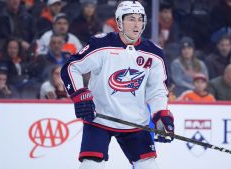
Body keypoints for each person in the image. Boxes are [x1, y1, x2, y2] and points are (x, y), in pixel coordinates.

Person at [60, 1, 174, 169]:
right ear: (119, 22)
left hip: (135, 122)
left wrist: (161, 115)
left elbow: (157, 90)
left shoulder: (154, 53)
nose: (137, 24)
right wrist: (80, 96)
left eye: (140, 19)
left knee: (148, 166)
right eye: (131, 19)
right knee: (91, 165)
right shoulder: (101, 45)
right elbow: (71, 67)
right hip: (99, 118)